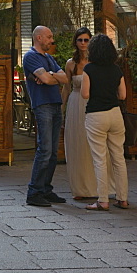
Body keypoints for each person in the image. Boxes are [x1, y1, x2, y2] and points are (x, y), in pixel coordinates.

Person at [81, 33, 129, 211]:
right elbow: (123, 95)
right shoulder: (116, 70)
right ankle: (122, 198)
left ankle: (103, 200)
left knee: (100, 159)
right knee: (118, 158)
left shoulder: (89, 69)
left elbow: (85, 94)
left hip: (96, 115)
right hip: (115, 114)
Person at [23, 25, 68, 207]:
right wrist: (51, 76)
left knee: (52, 152)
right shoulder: (31, 57)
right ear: (39, 38)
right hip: (42, 105)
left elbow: (65, 78)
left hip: (55, 104)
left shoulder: (48, 58)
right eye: (49, 37)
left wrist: (49, 74)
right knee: (45, 149)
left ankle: (45, 189)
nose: (52, 40)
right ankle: (34, 192)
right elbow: (52, 80)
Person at [63, 27, 102, 200]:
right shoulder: (70, 63)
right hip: (76, 103)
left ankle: (99, 187)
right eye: (80, 40)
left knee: (94, 145)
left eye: (86, 40)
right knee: (77, 144)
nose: (83, 43)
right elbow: (66, 87)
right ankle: (80, 188)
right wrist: (61, 107)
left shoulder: (97, 62)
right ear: (76, 42)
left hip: (94, 103)